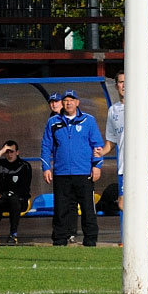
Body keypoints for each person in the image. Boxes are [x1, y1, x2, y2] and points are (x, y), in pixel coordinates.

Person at [97, 71, 148, 260]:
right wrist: (101, 152)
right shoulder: (113, 110)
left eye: (127, 82)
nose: (124, 85)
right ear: (117, 86)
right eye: (121, 82)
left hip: (138, 165)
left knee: (125, 204)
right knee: (131, 206)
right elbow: (111, 141)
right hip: (123, 166)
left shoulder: (142, 105)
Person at [41, 89, 104, 246]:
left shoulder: (88, 120)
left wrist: (97, 166)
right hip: (61, 173)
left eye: (72, 100)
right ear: (62, 103)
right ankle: (60, 239)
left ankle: (90, 240)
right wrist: (46, 167)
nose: (68, 103)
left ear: (77, 102)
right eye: (66, 100)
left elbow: (97, 145)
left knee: (88, 208)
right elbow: (46, 145)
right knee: (61, 209)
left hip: (83, 173)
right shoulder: (54, 122)